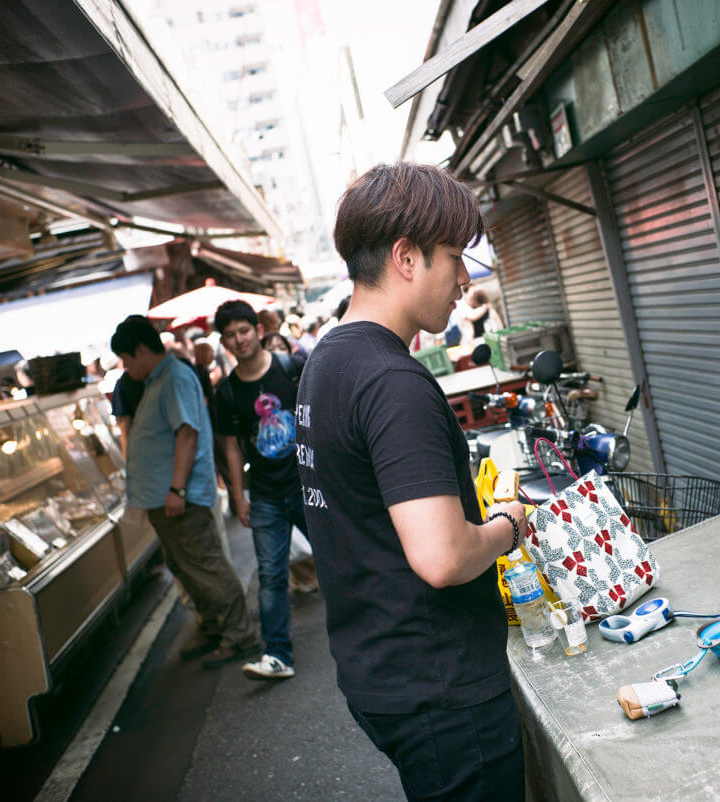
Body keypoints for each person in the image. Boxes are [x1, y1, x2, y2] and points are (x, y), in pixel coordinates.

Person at [296, 162, 527, 801]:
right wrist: (508, 526)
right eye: (454, 256)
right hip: (441, 690)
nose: (466, 278)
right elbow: (443, 557)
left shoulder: (327, 361)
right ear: (405, 256)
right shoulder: (393, 381)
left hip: (378, 668)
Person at [110, 315, 261, 668]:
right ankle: (214, 629)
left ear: (143, 349)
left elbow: (187, 433)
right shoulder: (156, 380)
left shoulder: (174, 378)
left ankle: (241, 636)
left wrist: (177, 488)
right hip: (166, 499)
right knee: (188, 568)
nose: (125, 365)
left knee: (206, 567)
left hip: (181, 498)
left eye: (127, 357)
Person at [214, 300, 314, 681]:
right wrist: (240, 496)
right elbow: (232, 447)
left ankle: (373, 626)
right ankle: (277, 654)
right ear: (224, 342)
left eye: (243, 330)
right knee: (271, 575)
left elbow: (316, 415)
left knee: (339, 554)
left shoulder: (290, 369)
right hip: (267, 495)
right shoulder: (226, 393)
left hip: (308, 484)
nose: (239, 340)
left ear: (257, 330)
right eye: (230, 336)